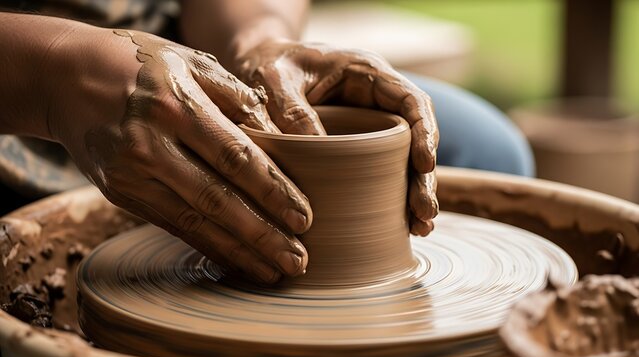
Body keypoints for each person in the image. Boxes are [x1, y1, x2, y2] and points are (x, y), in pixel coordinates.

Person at [0, 0, 533, 283]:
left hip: (178, 71)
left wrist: (255, 41)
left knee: (484, 148)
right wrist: (53, 78)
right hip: (20, 94)